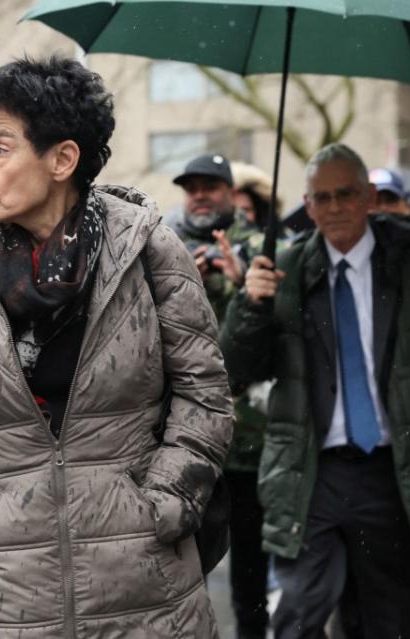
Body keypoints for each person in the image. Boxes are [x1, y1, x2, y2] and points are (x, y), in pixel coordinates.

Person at [0, 56, 233, 638]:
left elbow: (205, 395)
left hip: (144, 590)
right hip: (5, 594)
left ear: (62, 159)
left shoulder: (148, 251)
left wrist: (165, 500)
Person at [220, 143, 410, 639]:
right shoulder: (280, 274)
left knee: (386, 617)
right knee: (299, 610)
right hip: (310, 471)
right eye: (321, 198)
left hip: (393, 470)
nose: (334, 208)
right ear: (307, 206)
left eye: (346, 194)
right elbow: (234, 372)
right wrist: (250, 305)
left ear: (370, 197)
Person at [171, 154, 270, 639]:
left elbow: (272, 337)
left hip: (249, 436)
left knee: (252, 564)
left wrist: (238, 285)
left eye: (210, 186)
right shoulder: (164, 250)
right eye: (191, 188)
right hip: (185, 440)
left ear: (231, 193)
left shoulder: (259, 247)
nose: (200, 195)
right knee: (186, 567)